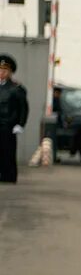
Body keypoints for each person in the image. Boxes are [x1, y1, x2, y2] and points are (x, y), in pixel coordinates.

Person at [1, 53, 31, 184]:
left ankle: (9, 176)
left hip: (8, 126)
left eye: (5, 70)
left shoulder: (16, 88)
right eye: (0, 70)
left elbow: (23, 108)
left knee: (7, 152)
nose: (2, 73)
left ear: (10, 72)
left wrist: (20, 124)